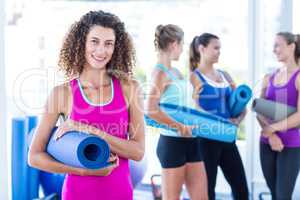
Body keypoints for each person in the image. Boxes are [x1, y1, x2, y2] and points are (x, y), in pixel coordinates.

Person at [28, 10, 145, 200]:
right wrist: (85, 171)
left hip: (119, 192)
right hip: (77, 193)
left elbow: (138, 152)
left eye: (109, 44)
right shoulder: (62, 94)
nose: (101, 50)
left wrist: (87, 129)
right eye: (94, 41)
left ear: (117, 48)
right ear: (81, 43)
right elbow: (34, 157)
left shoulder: (129, 88)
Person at [146, 24, 208, 200]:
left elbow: (180, 104)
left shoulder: (176, 72)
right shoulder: (160, 73)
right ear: (174, 44)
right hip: (172, 143)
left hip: (192, 141)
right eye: (182, 45)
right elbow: (150, 109)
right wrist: (179, 126)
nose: (182, 50)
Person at [189, 33, 249, 200]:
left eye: (219, 48)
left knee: (241, 189)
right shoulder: (194, 77)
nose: (218, 52)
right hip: (206, 141)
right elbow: (195, 109)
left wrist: (238, 119)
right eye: (215, 48)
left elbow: (240, 104)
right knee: (208, 191)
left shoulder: (226, 75)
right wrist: (222, 121)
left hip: (228, 139)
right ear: (201, 49)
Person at [257, 32, 300, 200]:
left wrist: (271, 128)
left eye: (278, 45)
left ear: (292, 46)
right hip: (267, 142)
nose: (274, 50)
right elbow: (259, 108)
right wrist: (272, 135)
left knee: (283, 196)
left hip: (290, 144)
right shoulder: (269, 77)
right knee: (274, 193)